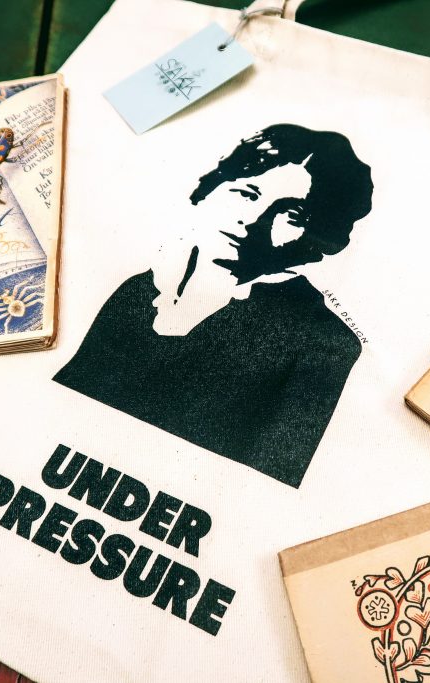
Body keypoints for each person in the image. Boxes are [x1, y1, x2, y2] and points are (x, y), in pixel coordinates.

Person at [54, 124, 374, 487]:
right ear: (212, 191)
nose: (251, 221)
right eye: (247, 194)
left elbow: (265, 486)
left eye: (291, 215)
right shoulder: (140, 291)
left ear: (321, 237)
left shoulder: (324, 345)